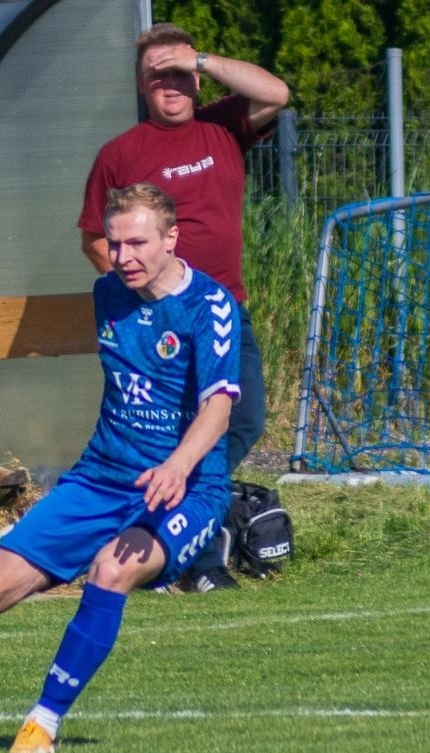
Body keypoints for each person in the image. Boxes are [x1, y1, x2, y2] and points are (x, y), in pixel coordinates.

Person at [0, 184, 239, 753]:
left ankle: (43, 723)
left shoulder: (209, 306)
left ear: (171, 238)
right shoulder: (108, 293)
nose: (123, 256)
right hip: (100, 478)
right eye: (114, 243)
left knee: (111, 569)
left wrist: (178, 465)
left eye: (137, 243)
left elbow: (219, 406)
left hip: (188, 489)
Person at [78, 23, 289, 592]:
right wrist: (139, 296)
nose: (168, 85)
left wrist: (198, 58)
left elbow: (276, 93)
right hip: (163, 324)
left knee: (241, 420)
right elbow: (94, 238)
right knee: (181, 430)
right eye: (156, 76)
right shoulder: (120, 154)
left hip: (225, 312)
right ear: (140, 86)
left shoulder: (223, 127)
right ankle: (196, 559)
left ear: (196, 79)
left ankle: (164, 527)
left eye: (178, 74)